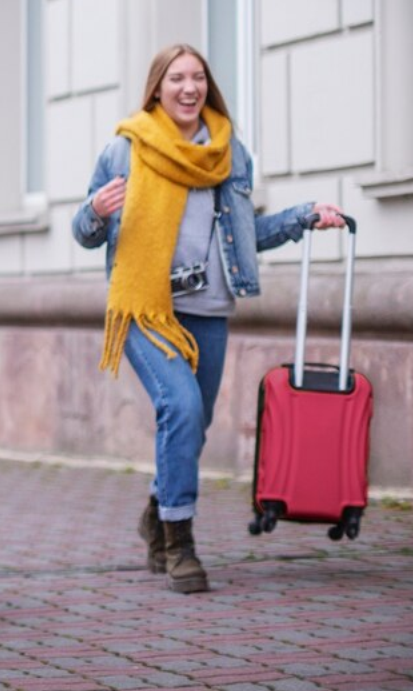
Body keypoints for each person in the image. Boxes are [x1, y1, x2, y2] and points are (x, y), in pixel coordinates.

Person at [72, 44, 344, 594]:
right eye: (177, 78)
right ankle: (180, 542)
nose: (189, 88)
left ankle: (157, 510)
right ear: (158, 88)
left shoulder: (228, 152)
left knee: (194, 425)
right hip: (147, 309)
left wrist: (302, 217)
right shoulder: (125, 148)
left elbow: (245, 236)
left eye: (198, 77)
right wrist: (95, 212)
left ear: (208, 87)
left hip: (210, 309)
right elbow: (84, 232)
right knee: (182, 405)